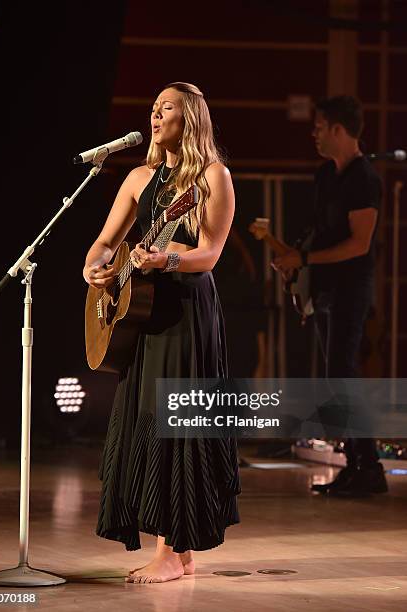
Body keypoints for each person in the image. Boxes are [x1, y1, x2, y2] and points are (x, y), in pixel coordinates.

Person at [83, 82, 240, 583]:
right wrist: (96, 268)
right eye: (152, 109)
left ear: (189, 117)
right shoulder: (137, 177)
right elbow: (106, 242)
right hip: (140, 316)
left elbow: (210, 252)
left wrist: (166, 257)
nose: (154, 116)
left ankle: (172, 551)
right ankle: (177, 551)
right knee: (145, 421)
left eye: (165, 108)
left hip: (185, 314)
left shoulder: (212, 176)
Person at [272, 95, 388, 497]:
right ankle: (359, 465)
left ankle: (367, 466)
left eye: (320, 127)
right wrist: (295, 260)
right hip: (324, 288)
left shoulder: (364, 178)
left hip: (351, 289)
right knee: (336, 378)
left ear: (339, 129)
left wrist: (303, 256)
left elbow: (359, 244)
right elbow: (320, 231)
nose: (314, 133)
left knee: (343, 376)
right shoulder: (326, 176)